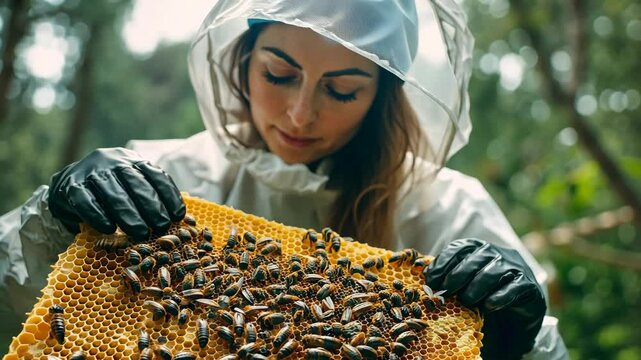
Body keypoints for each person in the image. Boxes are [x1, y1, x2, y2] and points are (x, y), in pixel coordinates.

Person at [0, 0, 568, 359]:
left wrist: (519, 341)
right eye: (278, 73)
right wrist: (50, 220)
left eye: (342, 90)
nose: (300, 114)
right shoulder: (166, 175)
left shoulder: (449, 210)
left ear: (380, 98)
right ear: (242, 61)